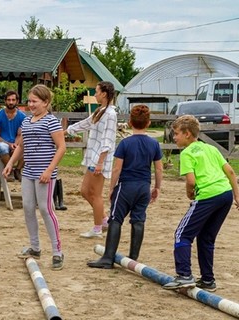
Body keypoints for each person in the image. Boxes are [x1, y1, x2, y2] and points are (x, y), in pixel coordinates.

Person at [162, 115, 239, 291]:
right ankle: (208, 280)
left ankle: (184, 275)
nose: (174, 137)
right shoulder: (210, 149)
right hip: (225, 195)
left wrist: (189, 193)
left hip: (208, 196)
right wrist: (237, 196)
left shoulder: (187, 153)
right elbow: (230, 171)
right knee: (206, 238)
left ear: (187, 134)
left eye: (176, 134)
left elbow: (191, 182)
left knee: (182, 234)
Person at [87, 104, 163, 269]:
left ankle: (108, 257)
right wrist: (157, 187)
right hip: (144, 187)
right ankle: (133, 258)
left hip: (126, 186)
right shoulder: (154, 144)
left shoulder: (125, 143)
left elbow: (117, 168)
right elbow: (158, 168)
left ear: (129, 122)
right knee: (138, 220)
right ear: (148, 123)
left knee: (116, 219)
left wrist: (111, 187)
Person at [3, 84, 66, 270]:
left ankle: (57, 251)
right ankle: (35, 247)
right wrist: (10, 163)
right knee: (28, 208)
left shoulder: (51, 121)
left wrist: (48, 170)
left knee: (46, 210)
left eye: (35, 101)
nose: (31, 104)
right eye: (29, 101)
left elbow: (61, 147)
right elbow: (21, 146)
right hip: (28, 172)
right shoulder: (26, 121)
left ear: (45, 102)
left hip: (44, 173)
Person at [67, 81, 117, 238]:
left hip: (99, 160)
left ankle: (97, 228)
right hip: (93, 157)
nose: (94, 94)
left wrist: (100, 162)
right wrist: (66, 131)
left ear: (104, 94)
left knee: (95, 194)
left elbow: (107, 140)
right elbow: (86, 123)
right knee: (84, 191)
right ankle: (104, 220)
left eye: (96, 92)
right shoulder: (100, 111)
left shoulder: (110, 114)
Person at [0, 90, 26, 181]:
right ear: (5, 101)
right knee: (2, 147)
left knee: (28, 146)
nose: (11, 102)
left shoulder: (22, 117)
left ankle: (17, 170)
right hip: (2, 142)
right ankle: (9, 170)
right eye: (9, 100)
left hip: (16, 142)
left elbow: (20, 134)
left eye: (13, 100)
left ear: (17, 101)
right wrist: (9, 144)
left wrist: (15, 144)